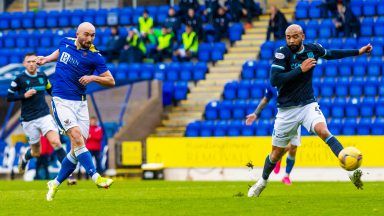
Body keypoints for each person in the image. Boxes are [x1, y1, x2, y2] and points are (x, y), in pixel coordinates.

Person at [247, 24, 372, 197]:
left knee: (323, 131)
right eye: (288, 37)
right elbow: (275, 80)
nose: (291, 40)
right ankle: (262, 182)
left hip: (307, 105)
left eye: (295, 36)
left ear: (303, 36)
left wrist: (358, 52)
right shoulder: (282, 53)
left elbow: (332, 54)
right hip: (286, 111)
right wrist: (300, 69)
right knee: (276, 154)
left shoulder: (313, 49)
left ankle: (350, 170)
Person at [36, 22, 115, 201]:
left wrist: (93, 77)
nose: (89, 39)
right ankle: (96, 177)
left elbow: (111, 80)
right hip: (61, 101)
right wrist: (47, 59)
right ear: (77, 34)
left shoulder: (95, 57)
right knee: (78, 138)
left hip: (80, 104)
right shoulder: (65, 42)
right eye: (86, 35)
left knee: (77, 149)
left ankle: (55, 183)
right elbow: (60, 53)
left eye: (93, 35)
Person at [6, 52, 76, 185]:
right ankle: (25, 158)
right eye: (29, 62)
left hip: (44, 115)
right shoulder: (19, 79)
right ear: (24, 64)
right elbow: (9, 97)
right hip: (28, 119)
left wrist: (61, 100)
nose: (31, 64)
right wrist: (24, 95)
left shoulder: (42, 76)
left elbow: (51, 90)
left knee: (56, 142)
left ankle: (69, 175)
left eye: (33, 61)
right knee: (36, 152)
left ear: (37, 63)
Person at [246, 85, 299, 185]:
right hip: (283, 119)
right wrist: (256, 113)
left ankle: (286, 175)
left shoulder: (292, 77)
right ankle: (278, 157)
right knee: (283, 148)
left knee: (293, 148)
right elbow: (265, 99)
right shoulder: (272, 83)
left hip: (297, 117)